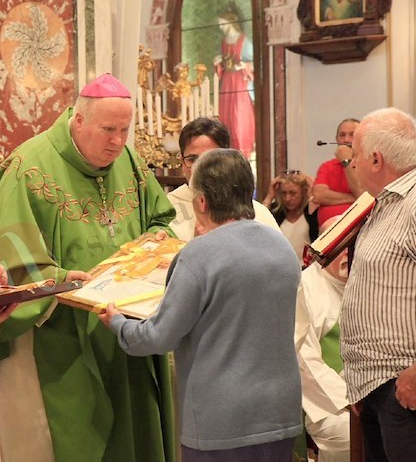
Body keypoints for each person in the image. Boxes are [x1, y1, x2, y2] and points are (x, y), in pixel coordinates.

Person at [0, 73, 177, 462]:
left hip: (132, 319)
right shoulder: (26, 168)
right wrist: (60, 279)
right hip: (66, 331)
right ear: (78, 121)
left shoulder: (128, 160)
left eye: (125, 130)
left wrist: (152, 247)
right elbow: (11, 257)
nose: (117, 141)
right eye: (108, 129)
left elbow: (162, 220)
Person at [100, 148, 303, 461]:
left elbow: (159, 337)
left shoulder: (199, 254)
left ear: (202, 202)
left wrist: (118, 323)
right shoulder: (281, 246)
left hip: (222, 420)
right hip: (281, 412)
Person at [342, 107, 416, 460]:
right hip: (386, 388)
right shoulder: (391, 203)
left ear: (376, 160)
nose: (352, 166)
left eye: (355, 157)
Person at [168, 116, 280, 241]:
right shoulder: (166, 208)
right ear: (182, 162)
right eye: (193, 159)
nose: (200, 167)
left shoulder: (257, 212)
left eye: (210, 158)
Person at [295, 217, 350, 462]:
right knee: (348, 433)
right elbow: (304, 362)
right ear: (323, 247)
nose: (348, 253)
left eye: (353, 244)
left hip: (369, 391)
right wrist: (349, 399)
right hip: (326, 401)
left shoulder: (368, 283)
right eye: (341, 245)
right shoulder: (305, 288)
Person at [214, 4, 255, 158]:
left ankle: (242, 150)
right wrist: (218, 62)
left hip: (239, 82)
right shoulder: (224, 41)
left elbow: (254, 63)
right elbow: (223, 62)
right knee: (226, 116)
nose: (221, 27)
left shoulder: (244, 41)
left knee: (239, 115)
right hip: (227, 82)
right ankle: (227, 149)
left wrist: (244, 66)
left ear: (230, 23)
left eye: (223, 24)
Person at [312, 118, 363, 226]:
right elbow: (318, 195)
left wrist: (346, 161)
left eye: (352, 135)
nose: (346, 140)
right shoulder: (327, 166)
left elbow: (361, 193)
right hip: (327, 233)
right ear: (336, 139)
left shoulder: (367, 165)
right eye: (342, 135)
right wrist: (353, 198)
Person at [262, 170, 319, 264]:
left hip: (307, 269)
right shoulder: (276, 212)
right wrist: (269, 196)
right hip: (280, 267)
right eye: (284, 193)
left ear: (303, 192)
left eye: (293, 193)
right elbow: (259, 223)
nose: (288, 198)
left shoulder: (311, 213)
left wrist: (311, 194)